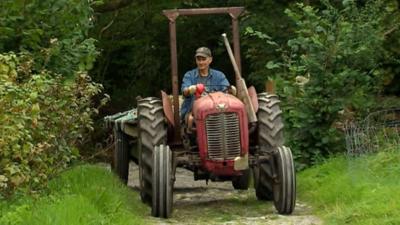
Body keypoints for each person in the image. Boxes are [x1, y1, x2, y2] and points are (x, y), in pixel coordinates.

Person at [180, 47, 230, 120]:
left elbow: (227, 91)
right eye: (198, 59)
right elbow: (184, 91)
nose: (201, 62)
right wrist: (190, 89)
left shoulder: (219, 76)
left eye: (203, 59)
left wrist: (230, 90)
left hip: (216, 111)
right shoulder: (189, 75)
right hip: (194, 112)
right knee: (190, 120)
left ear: (210, 60)